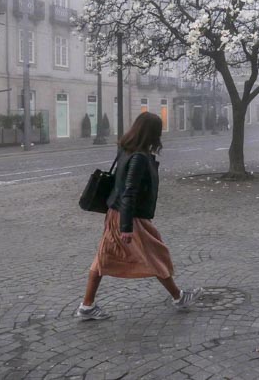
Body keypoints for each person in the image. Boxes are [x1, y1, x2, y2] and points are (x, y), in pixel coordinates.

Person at [76, 112, 203, 320]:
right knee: (154, 253)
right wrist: (126, 228)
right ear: (152, 133)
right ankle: (179, 297)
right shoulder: (139, 158)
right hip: (129, 217)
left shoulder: (125, 149)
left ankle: (87, 306)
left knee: (103, 258)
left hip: (115, 213)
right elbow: (130, 191)